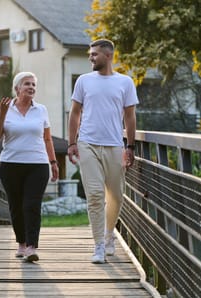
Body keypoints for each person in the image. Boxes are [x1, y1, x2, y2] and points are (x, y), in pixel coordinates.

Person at [67, 39, 138, 264]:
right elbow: (75, 113)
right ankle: (98, 245)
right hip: (87, 143)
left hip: (115, 145)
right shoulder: (84, 81)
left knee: (116, 196)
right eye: (90, 54)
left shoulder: (125, 82)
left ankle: (109, 235)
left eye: (94, 54)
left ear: (108, 55)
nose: (90, 58)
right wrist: (72, 142)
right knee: (95, 196)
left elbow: (130, 116)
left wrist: (131, 147)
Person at [0, 71, 59, 262]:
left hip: (38, 164)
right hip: (10, 164)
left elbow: (47, 138)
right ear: (17, 88)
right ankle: (21, 242)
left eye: (33, 85)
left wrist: (53, 162)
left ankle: (31, 246)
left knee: (31, 205)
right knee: (16, 206)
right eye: (27, 84)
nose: (31, 87)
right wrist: (2, 114)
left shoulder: (41, 110)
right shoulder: (5, 108)